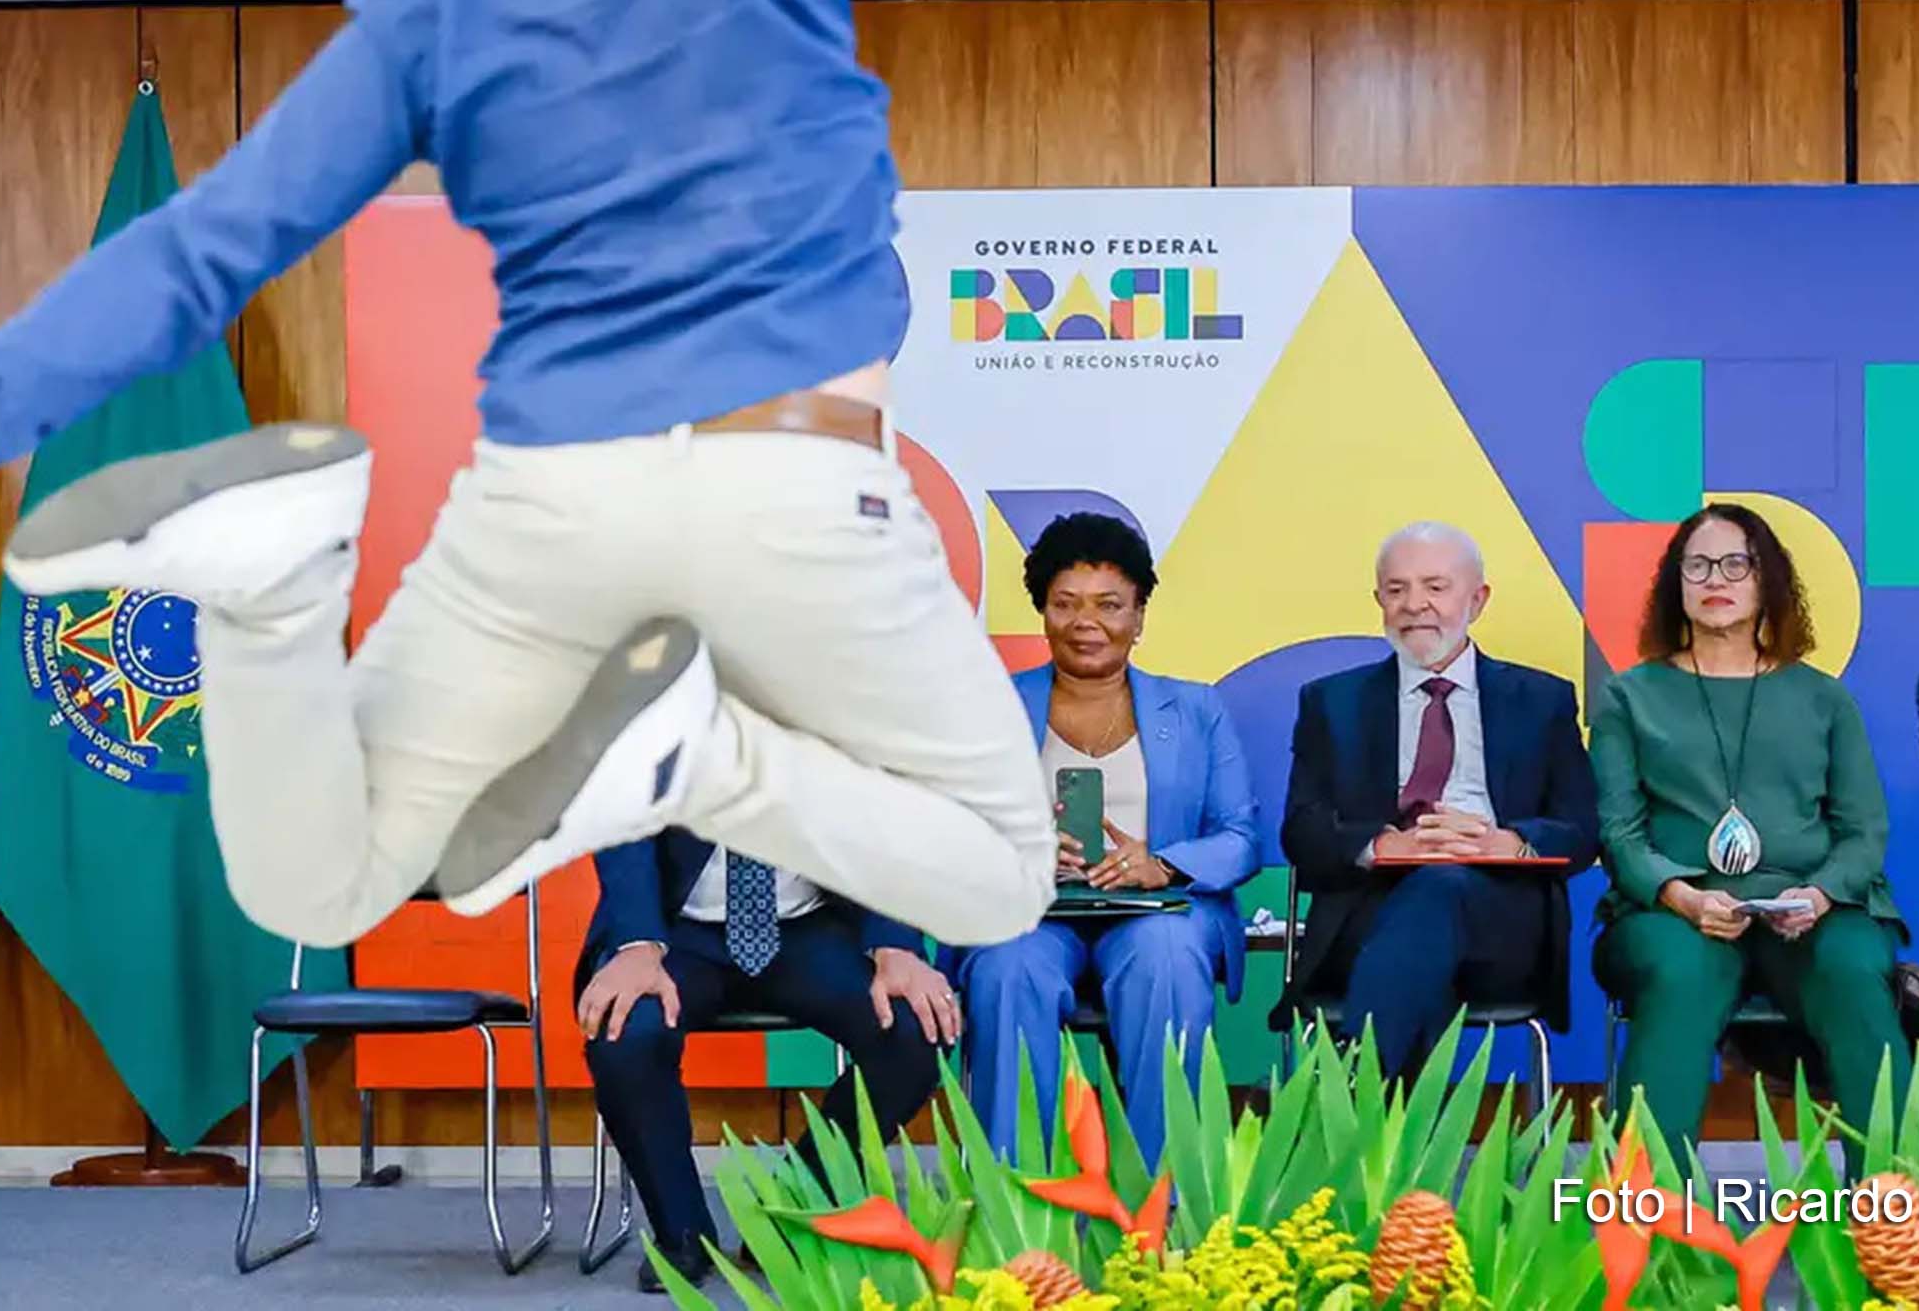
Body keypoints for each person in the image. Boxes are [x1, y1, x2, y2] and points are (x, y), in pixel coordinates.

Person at [0, 0, 1357, 950]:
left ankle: (268, 596)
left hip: (544, 503)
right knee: (1006, 875)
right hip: (793, 488)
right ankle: (693, 763)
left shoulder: (423, 5)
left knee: (320, 885)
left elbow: (205, 246)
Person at [1592, 503, 1912, 1162]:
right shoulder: (1630, 696)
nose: (1717, 578)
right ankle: (1643, 1230)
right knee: (1681, 974)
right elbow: (1620, 838)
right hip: (1673, 911)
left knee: (1853, 971)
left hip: (1811, 907)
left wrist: (1820, 896)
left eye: (1736, 563)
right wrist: (1684, 898)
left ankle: (1900, 1222)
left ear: (1766, 580)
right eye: (1699, 564)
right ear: (1675, 584)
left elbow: (1863, 832)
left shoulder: (1824, 699)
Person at [947, 514, 1256, 1164]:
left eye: (1110, 605)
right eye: (1066, 604)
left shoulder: (1197, 710)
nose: (1087, 621)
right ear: (1043, 613)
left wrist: (1163, 864)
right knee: (1008, 966)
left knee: (1165, 955)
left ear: (1140, 616)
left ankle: (1160, 1197)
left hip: (1158, 910)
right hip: (1030, 912)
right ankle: (1016, 1202)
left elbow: (1238, 837)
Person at [1277, 522, 1596, 1080]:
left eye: (1435, 587)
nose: (1414, 605)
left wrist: (1510, 843)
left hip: (1502, 926)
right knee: (1427, 904)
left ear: (1478, 599)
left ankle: (1355, 1102)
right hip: (1366, 918)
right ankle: (1387, 1133)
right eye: (1396, 590)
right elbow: (1301, 832)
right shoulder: (1333, 702)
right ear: (1378, 601)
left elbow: (1583, 829)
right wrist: (1383, 845)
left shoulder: (1541, 700)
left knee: (1442, 886)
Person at [579, 828, 956, 1291]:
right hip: (675, 931)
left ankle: (791, 1208)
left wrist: (895, 945)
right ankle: (681, 1234)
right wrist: (636, 944)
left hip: (809, 926)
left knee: (916, 1027)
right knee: (626, 1032)